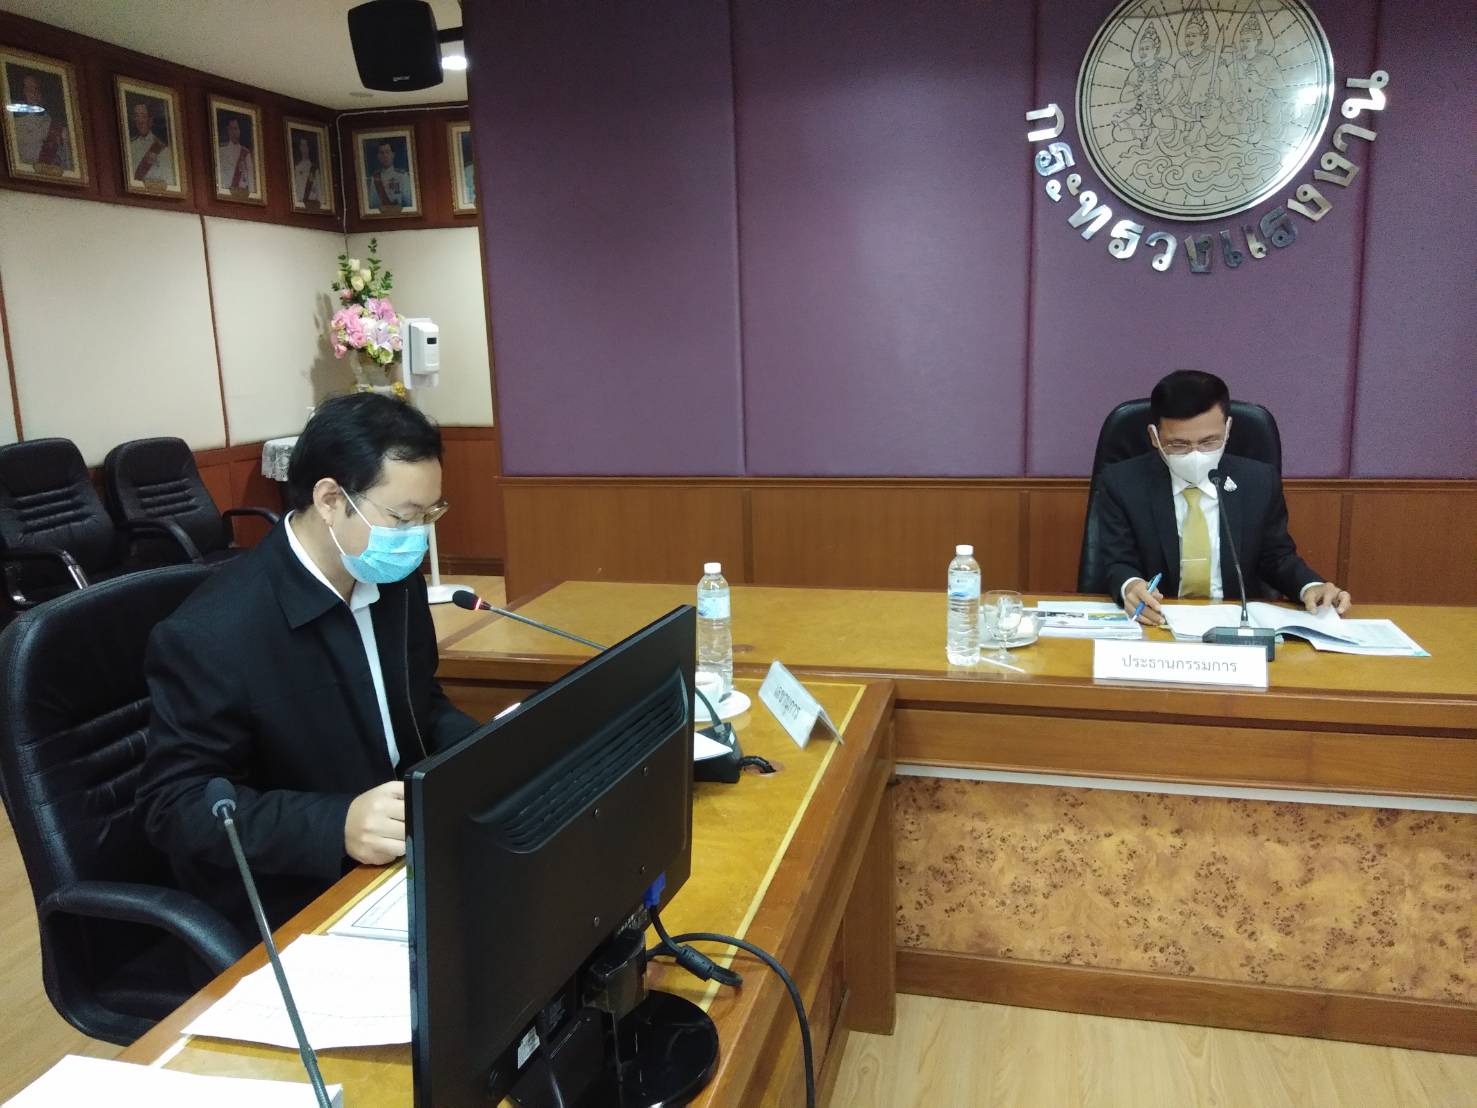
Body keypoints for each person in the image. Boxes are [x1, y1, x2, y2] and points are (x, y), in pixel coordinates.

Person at [139, 393, 476, 930]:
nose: (416, 537)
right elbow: (174, 805)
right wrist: (335, 824)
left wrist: (484, 752)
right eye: (403, 517)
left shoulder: (392, 580)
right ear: (329, 499)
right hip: (300, 889)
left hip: (403, 849)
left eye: (429, 514)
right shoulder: (212, 634)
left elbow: (419, 703)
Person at [1096, 370, 1351, 626]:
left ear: (1227, 429)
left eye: (1209, 442)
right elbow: (1118, 561)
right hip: (1159, 620)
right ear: (1154, 436)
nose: (1196, 455)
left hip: (1235, 623)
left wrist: (1309, 586)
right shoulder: (1122, 483)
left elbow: (1276, 557)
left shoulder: (1259, 482)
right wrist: (1131, 586)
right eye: (1179, 445)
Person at [12, 72, 72, 171]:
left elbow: (68, 167)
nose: (34, 93)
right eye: (29, 89)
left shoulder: (58, 127)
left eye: (37, 88)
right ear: (23, 92)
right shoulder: (12, 126)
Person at [128, 99, 173, 186]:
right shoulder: (130, 146)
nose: (140, 121)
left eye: (143, 116)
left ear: (150, 120)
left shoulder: (162, 148)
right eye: (137, 116)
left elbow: (168, 179)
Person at [369, 140, 412, 210]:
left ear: (393, 154)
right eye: (381, 153)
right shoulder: (375, 178)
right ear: (378, 156)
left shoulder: (402, 175)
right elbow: (373, 205)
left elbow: (409, 203)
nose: (385, 156)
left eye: (387, 152)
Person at [216, 115, 254, 191]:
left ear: (239, 130)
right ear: (228, 130)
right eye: (231, 129)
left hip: (241, 192)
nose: (233, 132)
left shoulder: (245, 153)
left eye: (235, 128)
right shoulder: (221, 151)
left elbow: (250, 177)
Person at [292, 134, 320, 207]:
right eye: (302, 145)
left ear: (308, 148)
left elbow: (319, 192)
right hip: (299, 204)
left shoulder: (314, 169)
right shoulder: (296, 168)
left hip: (312, 204)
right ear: (300, 148)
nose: (304, 148)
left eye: (306, 145)